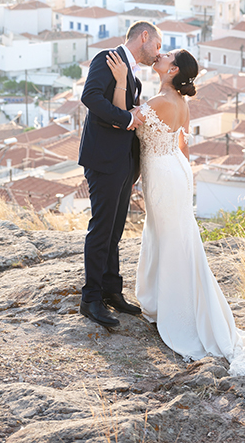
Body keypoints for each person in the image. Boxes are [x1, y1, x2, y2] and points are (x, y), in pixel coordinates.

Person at [106, 47, 245, 375]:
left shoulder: (161, 102)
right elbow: (183, 144)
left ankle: (176, 311)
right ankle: (164, 301)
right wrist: (183, 178)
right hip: (173, 170)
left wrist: (119, 81)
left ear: (173, 70)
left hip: (163, 173)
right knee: (172, 236)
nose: (161, 55)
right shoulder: (180, 102)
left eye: (167, 55)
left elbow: (123, 120)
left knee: (169, 238)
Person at [78, 21, 162, 328]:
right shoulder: (107, 58)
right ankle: (90, 299)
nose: (158, 52)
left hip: (123, 163)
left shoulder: (132, 72)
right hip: (103, 160)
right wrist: (127, 118)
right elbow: (91, 97)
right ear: (144, 37)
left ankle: (112, 290)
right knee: (101, 229)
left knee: (114, 231)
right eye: (158, 44)